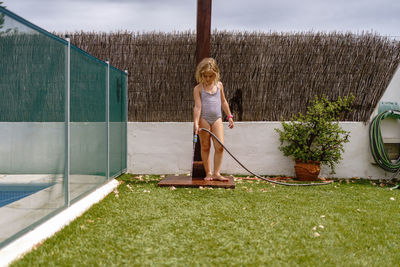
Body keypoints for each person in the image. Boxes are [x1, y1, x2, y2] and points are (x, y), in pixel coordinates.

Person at [193, 57, 234, 181]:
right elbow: (198, 106)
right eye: (205, 76)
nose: (208, 79)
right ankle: (209, 173)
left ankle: (217, 173)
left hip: (217, 119)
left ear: (215, 74)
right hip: (204, 119)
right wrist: (196, 123)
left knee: (219, 146)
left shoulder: (219, 86)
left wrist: (230, 116)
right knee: (205, 146)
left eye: (210, 76)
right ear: (201, 75)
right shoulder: (198, 89)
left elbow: (223, 102)